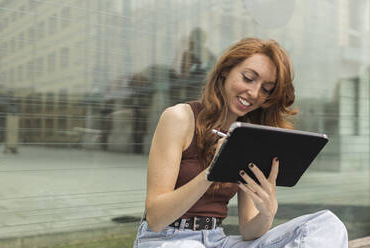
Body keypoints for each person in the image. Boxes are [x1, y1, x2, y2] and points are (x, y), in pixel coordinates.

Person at [133, 38, 348, 247]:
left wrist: (267, 213)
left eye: (265, 89)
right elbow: (155, 218)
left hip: (217, 239)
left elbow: (248, 230)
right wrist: (211, 171)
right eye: (248, 78)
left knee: (328, 226)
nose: (254, 93)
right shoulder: (179, 118)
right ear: (226, 70)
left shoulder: (246, 138)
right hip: (165, 239)